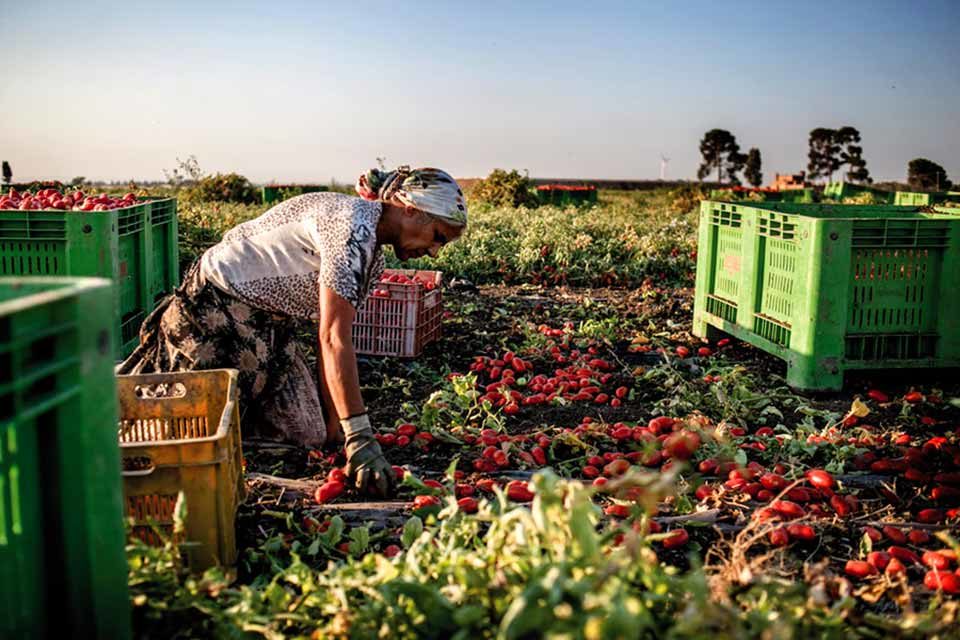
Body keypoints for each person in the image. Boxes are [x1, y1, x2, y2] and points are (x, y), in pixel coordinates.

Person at [118, 166, 467, 496]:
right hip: (217, 307)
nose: (435, 252)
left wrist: (338, 432)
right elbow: (334, 340)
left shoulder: (371, 254)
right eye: (438, 236)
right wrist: (360, 436)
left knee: (308, 433)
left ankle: (246, 419)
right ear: (410, 209)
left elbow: (327, 335)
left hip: (273, 321)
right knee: (188, 422)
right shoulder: (351, 232)